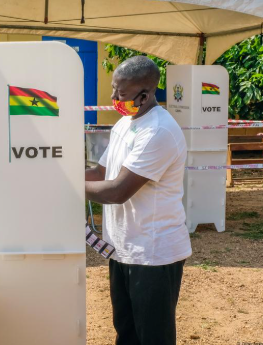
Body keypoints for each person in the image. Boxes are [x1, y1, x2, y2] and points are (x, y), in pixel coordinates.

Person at [85, 56, 192, 345]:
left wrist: (66, 187)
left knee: (153, 336)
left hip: (153, 253)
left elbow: (117, 191)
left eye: (120, 94)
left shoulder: (158, 131)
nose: (113, 98)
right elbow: (100, 173)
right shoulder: (124, 124)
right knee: (127, 331)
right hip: (122, 248)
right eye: (113, 90)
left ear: (144, 96)